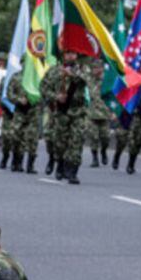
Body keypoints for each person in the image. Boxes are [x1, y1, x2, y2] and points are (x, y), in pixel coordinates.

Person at [40, 49, 89, 184]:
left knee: (77, 140)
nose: (70, 56)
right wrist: (56, 96)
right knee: (60, 142)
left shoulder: (83, 69)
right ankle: (60, 163)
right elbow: (43, 88)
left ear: (77, 55)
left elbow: (87, 80)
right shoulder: (54, 71)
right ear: (63, 55)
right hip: (60, 112)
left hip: (78, 111)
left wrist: (71, 74)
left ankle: (73, 171)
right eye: (68, 53)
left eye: (73, 53)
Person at [85, 60, 112, 168]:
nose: (96, 70)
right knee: (93, 136)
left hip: (104, 114)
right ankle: (95, 158)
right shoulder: (88, 79)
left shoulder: (107, 80)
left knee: (106, 137)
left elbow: (113, 96)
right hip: (91, 113)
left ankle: (104, 151)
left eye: (98, 68)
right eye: (94, 68)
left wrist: (114, 112)